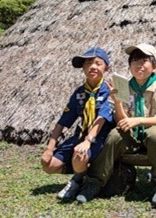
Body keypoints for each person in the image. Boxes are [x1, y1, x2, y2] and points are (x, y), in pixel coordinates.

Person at [76, 43, 156, 208]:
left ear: (155, 66)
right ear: (130, 66)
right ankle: (94, 182)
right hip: (133, 134)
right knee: (114, 136)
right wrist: (117, 103)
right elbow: (122, 121)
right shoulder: (125, 86)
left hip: (153, 130)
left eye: (144, 61)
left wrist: (138, 120)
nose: (139, 65)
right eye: (135, 61)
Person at [40, 46, 115, 202]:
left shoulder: (109, 90)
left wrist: (88, 141)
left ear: (106, 68)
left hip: (100, 137)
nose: (92, 67)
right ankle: (82, 172)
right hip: (80, 135)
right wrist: (49, 148)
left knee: (80, 154)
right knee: (49, 165)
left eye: (97, 63)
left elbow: (102, 118)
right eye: (87, 64)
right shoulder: (80, 92)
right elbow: (63, 122)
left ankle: (77, 180)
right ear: (83, 68)